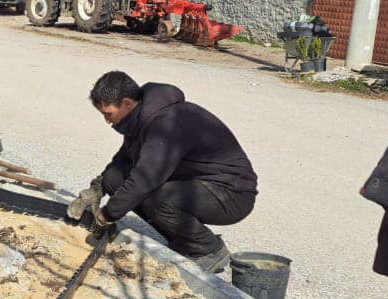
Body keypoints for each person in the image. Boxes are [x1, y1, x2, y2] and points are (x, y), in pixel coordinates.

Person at [70, 71, 257, 273]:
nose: (106, 121)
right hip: (194, 182)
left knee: (158, 199)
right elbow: (124, 159)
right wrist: (98, 187)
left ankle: (209, 250)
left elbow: (145, 178)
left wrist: (106, 215)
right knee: (115, 179)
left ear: (126, 103)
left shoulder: (168, 123)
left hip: (230, 192)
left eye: (108, 114)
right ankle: (182, 240)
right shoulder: (140, 118)